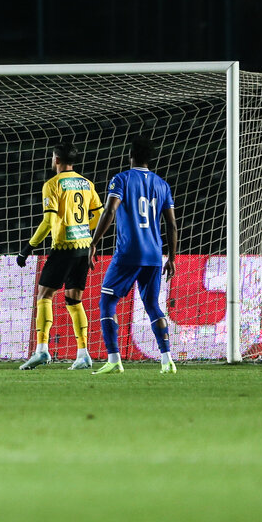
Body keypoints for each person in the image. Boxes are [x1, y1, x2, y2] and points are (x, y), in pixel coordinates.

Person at [87, 137, 178, 374]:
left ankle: (114, 359)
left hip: (128, 253)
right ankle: (167, 359)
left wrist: (94, 242)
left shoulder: (122, 179)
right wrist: (172, 258)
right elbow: (171, 225)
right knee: (152, 305)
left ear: (131, 156)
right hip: (154, 255)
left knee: (107, 301)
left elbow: (110, 209)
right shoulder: (162, 185)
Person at [16, 143, 102, 371]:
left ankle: (42, 350)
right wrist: (84, 227)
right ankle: (83, 354)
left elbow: (48, 221)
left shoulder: (52, 185)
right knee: (74, 300)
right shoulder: (87, 183)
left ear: (56, 160)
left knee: (44, 295)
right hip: (84, 246)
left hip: (64, 247)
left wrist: (28, 247)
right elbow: (100, 214)